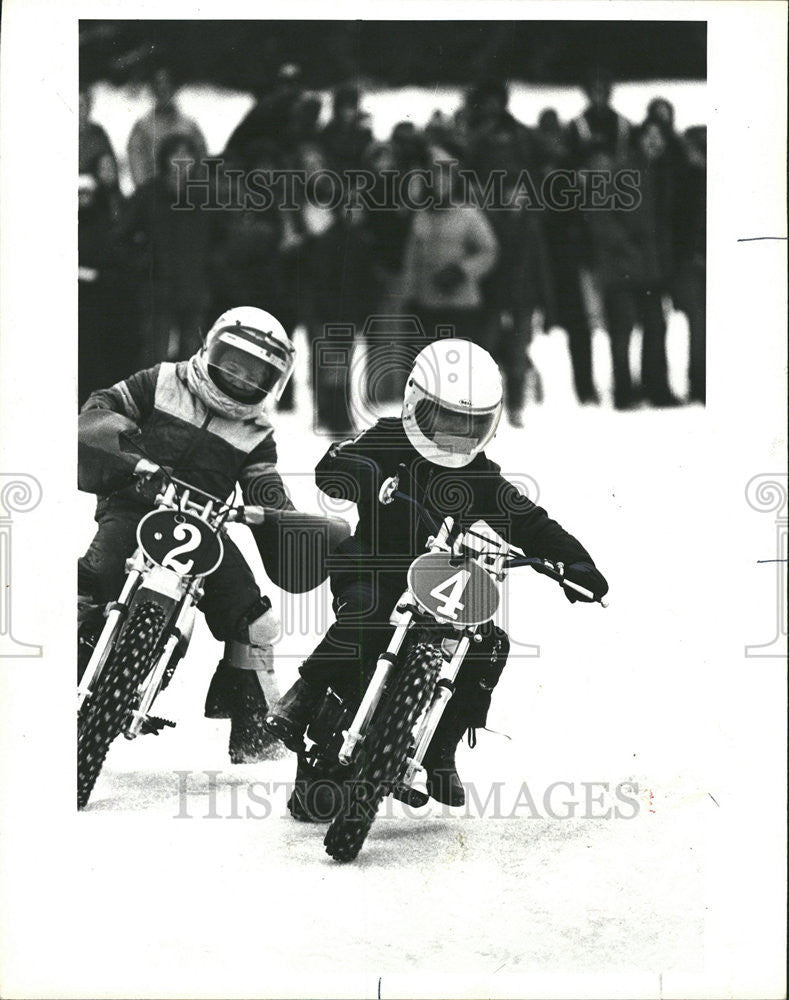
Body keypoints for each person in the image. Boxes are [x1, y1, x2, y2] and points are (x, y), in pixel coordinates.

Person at [264, 338, 608, 807]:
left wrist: (574, 561)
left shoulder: (480, 475)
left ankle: (441, 748)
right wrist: (355, 471)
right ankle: (304, 695)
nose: (454, 432)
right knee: (364, 614)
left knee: (490, 645)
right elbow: (334, 472)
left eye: (469, 423)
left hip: (441, 584)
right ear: (415, 404)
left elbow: (531, 521)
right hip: (373, 564)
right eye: (444, 417)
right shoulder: (387, 438)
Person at [78, 307, 297, 763]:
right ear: (209, 348)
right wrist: (121, 446)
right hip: (136, 504)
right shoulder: (159, 380)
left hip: (206, 527)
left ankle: (254, 727)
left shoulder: (257, 432)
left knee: (255, 621)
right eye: (232, 362)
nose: (240, 378)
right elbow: (102, 406)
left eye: (256, 373)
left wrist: (279, 517)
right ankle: (49, 671)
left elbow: (266, 486)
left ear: (273, 380)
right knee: (93, 578)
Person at [119, 133, 216, 366]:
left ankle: (185, 401)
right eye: (176, 154)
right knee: (155, 354)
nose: (182, 161)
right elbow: (122, 237)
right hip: (157, 289)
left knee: (192, 356)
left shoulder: (205, 195)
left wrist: (211, 267)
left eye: (187, 154)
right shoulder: (149, 194)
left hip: (195, 289)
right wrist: (144, 262)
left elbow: (221, 237)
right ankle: (150, 400)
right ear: (165, 159)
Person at [401, 151, 498, 344]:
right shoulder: (421, 216)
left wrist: (462, 271)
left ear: (454, 183)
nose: (440, 185)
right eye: (436, 180)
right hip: (427, 305)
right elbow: (411, 259)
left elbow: (489, 250)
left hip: (461, 306)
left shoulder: (468, 214)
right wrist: (409, 296)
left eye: (446, 180)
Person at [127, 67, 208, 189]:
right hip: (155, 197)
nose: (163, 91)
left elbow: (202, 164)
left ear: (174, 89)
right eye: (158, 85)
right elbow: (138, 171)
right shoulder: (142, 128)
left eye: (168, 85)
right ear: (153, 90)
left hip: (186, 198)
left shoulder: (190, 127)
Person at [672, 126, 706, 404]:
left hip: (695, 260)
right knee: (699, 323)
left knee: (701, 324)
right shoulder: (686, 180)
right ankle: (699, 385)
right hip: (691, 262)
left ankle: (701, 384)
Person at [568, 67, 631, 165]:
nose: (599, 95)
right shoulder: (576, 126)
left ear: (609, 92)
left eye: (603, 90)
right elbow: (572, 160)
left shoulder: (624, 125)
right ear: (587, 93)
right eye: (595, 90)